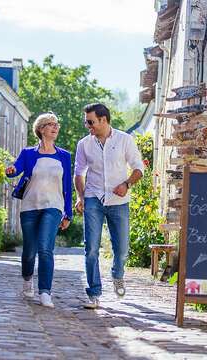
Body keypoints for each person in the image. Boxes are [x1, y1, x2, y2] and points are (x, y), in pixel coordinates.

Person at [74, 103, 144, 309]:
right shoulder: (84, 144)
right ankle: (94, 293)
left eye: (90, 122)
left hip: (118, 201)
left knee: (122, 250)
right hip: (93, 198)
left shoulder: (125, 140)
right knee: (91, 249)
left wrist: (127, 184)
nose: (88, 126)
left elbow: (139, 168)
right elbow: (79, 173)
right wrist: (80, 196)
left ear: (103, 120)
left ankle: (118, 275)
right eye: (86, 122)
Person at [6, 112, 72, 308]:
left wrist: (68, 213)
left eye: (56, 124)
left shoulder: (64, 156)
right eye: (50, 124)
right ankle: (27, 279)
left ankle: (45, 292)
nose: (55, 127)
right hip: (30, 207)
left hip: (53, 207)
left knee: (45, 249)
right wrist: (10, 170)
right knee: (29, 251)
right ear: (41, 129)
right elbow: (16, 169)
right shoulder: (28, 153)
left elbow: (67, 186)